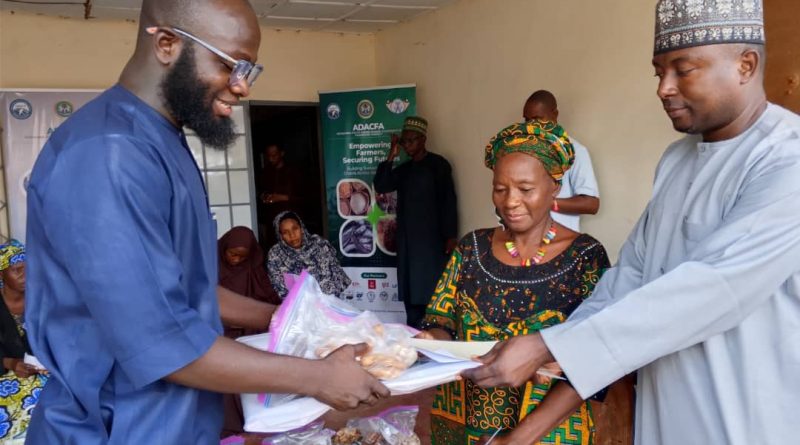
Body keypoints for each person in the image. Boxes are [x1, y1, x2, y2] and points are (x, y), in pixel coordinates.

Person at [24, 1, 388, 443]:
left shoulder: (161, 140)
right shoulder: (109, 153)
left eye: (250, 71)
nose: (242, 87)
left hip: (175, 424)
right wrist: (318, 377)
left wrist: (289, 320)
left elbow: (184, 290)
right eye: (231, 65)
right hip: (116, 429)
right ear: (166, 44)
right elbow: (160, 341)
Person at [464, 1, 800, 444]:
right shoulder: (677, 160)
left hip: (742, 418)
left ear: (746, 65)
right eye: (659, 72)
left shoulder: (786, 160)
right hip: (664, 411)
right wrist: (559, 341)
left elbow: (715, 289)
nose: (664, 88)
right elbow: (631, 277)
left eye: (683, 70)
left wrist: (551, 345)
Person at [417, 120, 610, 444]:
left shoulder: (585, 257)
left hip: (547, 432)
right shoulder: (471, 249)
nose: (510, 201)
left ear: (554, 187)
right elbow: (441, 322)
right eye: (500, 189)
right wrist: (426, 341)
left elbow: (595, 362)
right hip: (465, 422)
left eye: (525, 189)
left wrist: (516, 440)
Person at [374, 116, 458, 327]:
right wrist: (392, 154)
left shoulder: (438, 165)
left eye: (411, 140)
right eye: (404, 141)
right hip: (407, 241)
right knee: (411, 290)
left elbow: (448, 200)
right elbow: (382, 185)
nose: (407, 145)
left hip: (432, 240)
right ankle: (413, 333)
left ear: (423, 140)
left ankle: (435, 331)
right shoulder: (404, 170)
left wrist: (451, 235)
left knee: (431, 287)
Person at [523, 90, 600, 232]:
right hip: (523, 239)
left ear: (555, 115)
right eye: (527, 120)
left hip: (560, 241)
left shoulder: (575, 151)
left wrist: (546, 203)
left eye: (538, 119)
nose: (531, 126)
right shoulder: (522, 151)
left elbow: (591, 204)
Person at [0, 240, 48, 444]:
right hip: (6, 374)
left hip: (45, 372)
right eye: (16, 270)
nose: (24, 274)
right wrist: (11, 363)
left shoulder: (42, 298)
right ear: (1, 274)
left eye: (27, 268)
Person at [267, 211, 351, 298]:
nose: (292, 235)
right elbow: (279, 288)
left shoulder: (320, 244)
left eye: (295, 228)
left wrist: (321, 298)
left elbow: (337, 276)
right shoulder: (275, 254)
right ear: (280, 236)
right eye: (285, 232)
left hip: (328, 301)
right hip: (298, 304)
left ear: (301, 228)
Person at [218, 226, 281, 338]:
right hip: (220, 329)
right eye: (232, 254)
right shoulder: (212, 267)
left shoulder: (254, 269)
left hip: (249, 328)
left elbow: (268, 295)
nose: (236, 260)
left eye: (243, 257)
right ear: (224, 248)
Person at [258, 144, 302, 248]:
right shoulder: (266, 172)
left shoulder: (293, 172)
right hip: (272, 220)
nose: (271, 159)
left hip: (291, 218)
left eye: (274, 155)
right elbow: (260, 191)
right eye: (268, 156)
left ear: (282, 153)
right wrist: (264, 196)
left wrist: (282, 198)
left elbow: (305, 197)